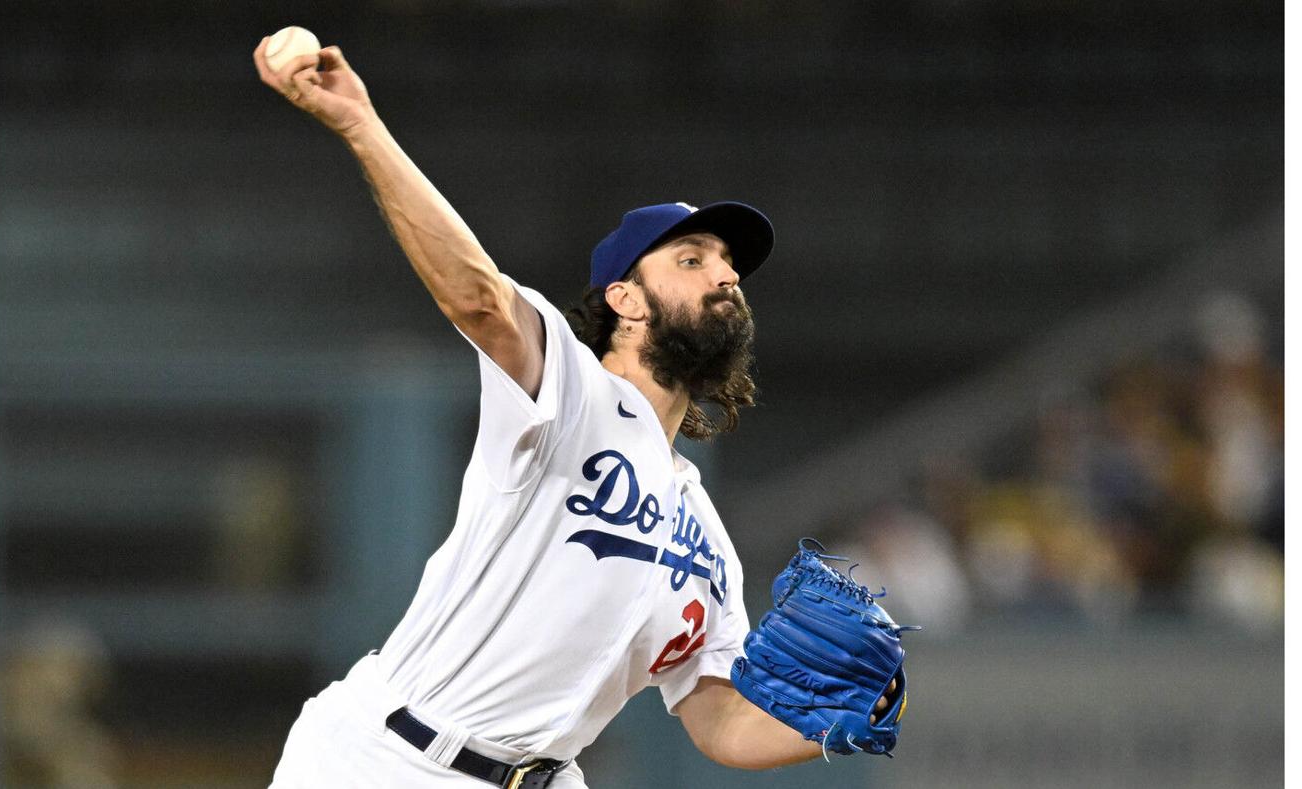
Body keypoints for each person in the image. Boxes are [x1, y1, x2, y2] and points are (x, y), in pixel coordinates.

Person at [254, 36, 897, 788]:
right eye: (692, 259)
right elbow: (479, 299)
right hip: (391, 759)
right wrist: (363, 125)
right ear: (624, 299)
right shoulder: (569, 391)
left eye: (729, 265)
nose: (725, 275)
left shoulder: (708, 543)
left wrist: (836, 724)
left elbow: (719, 721)